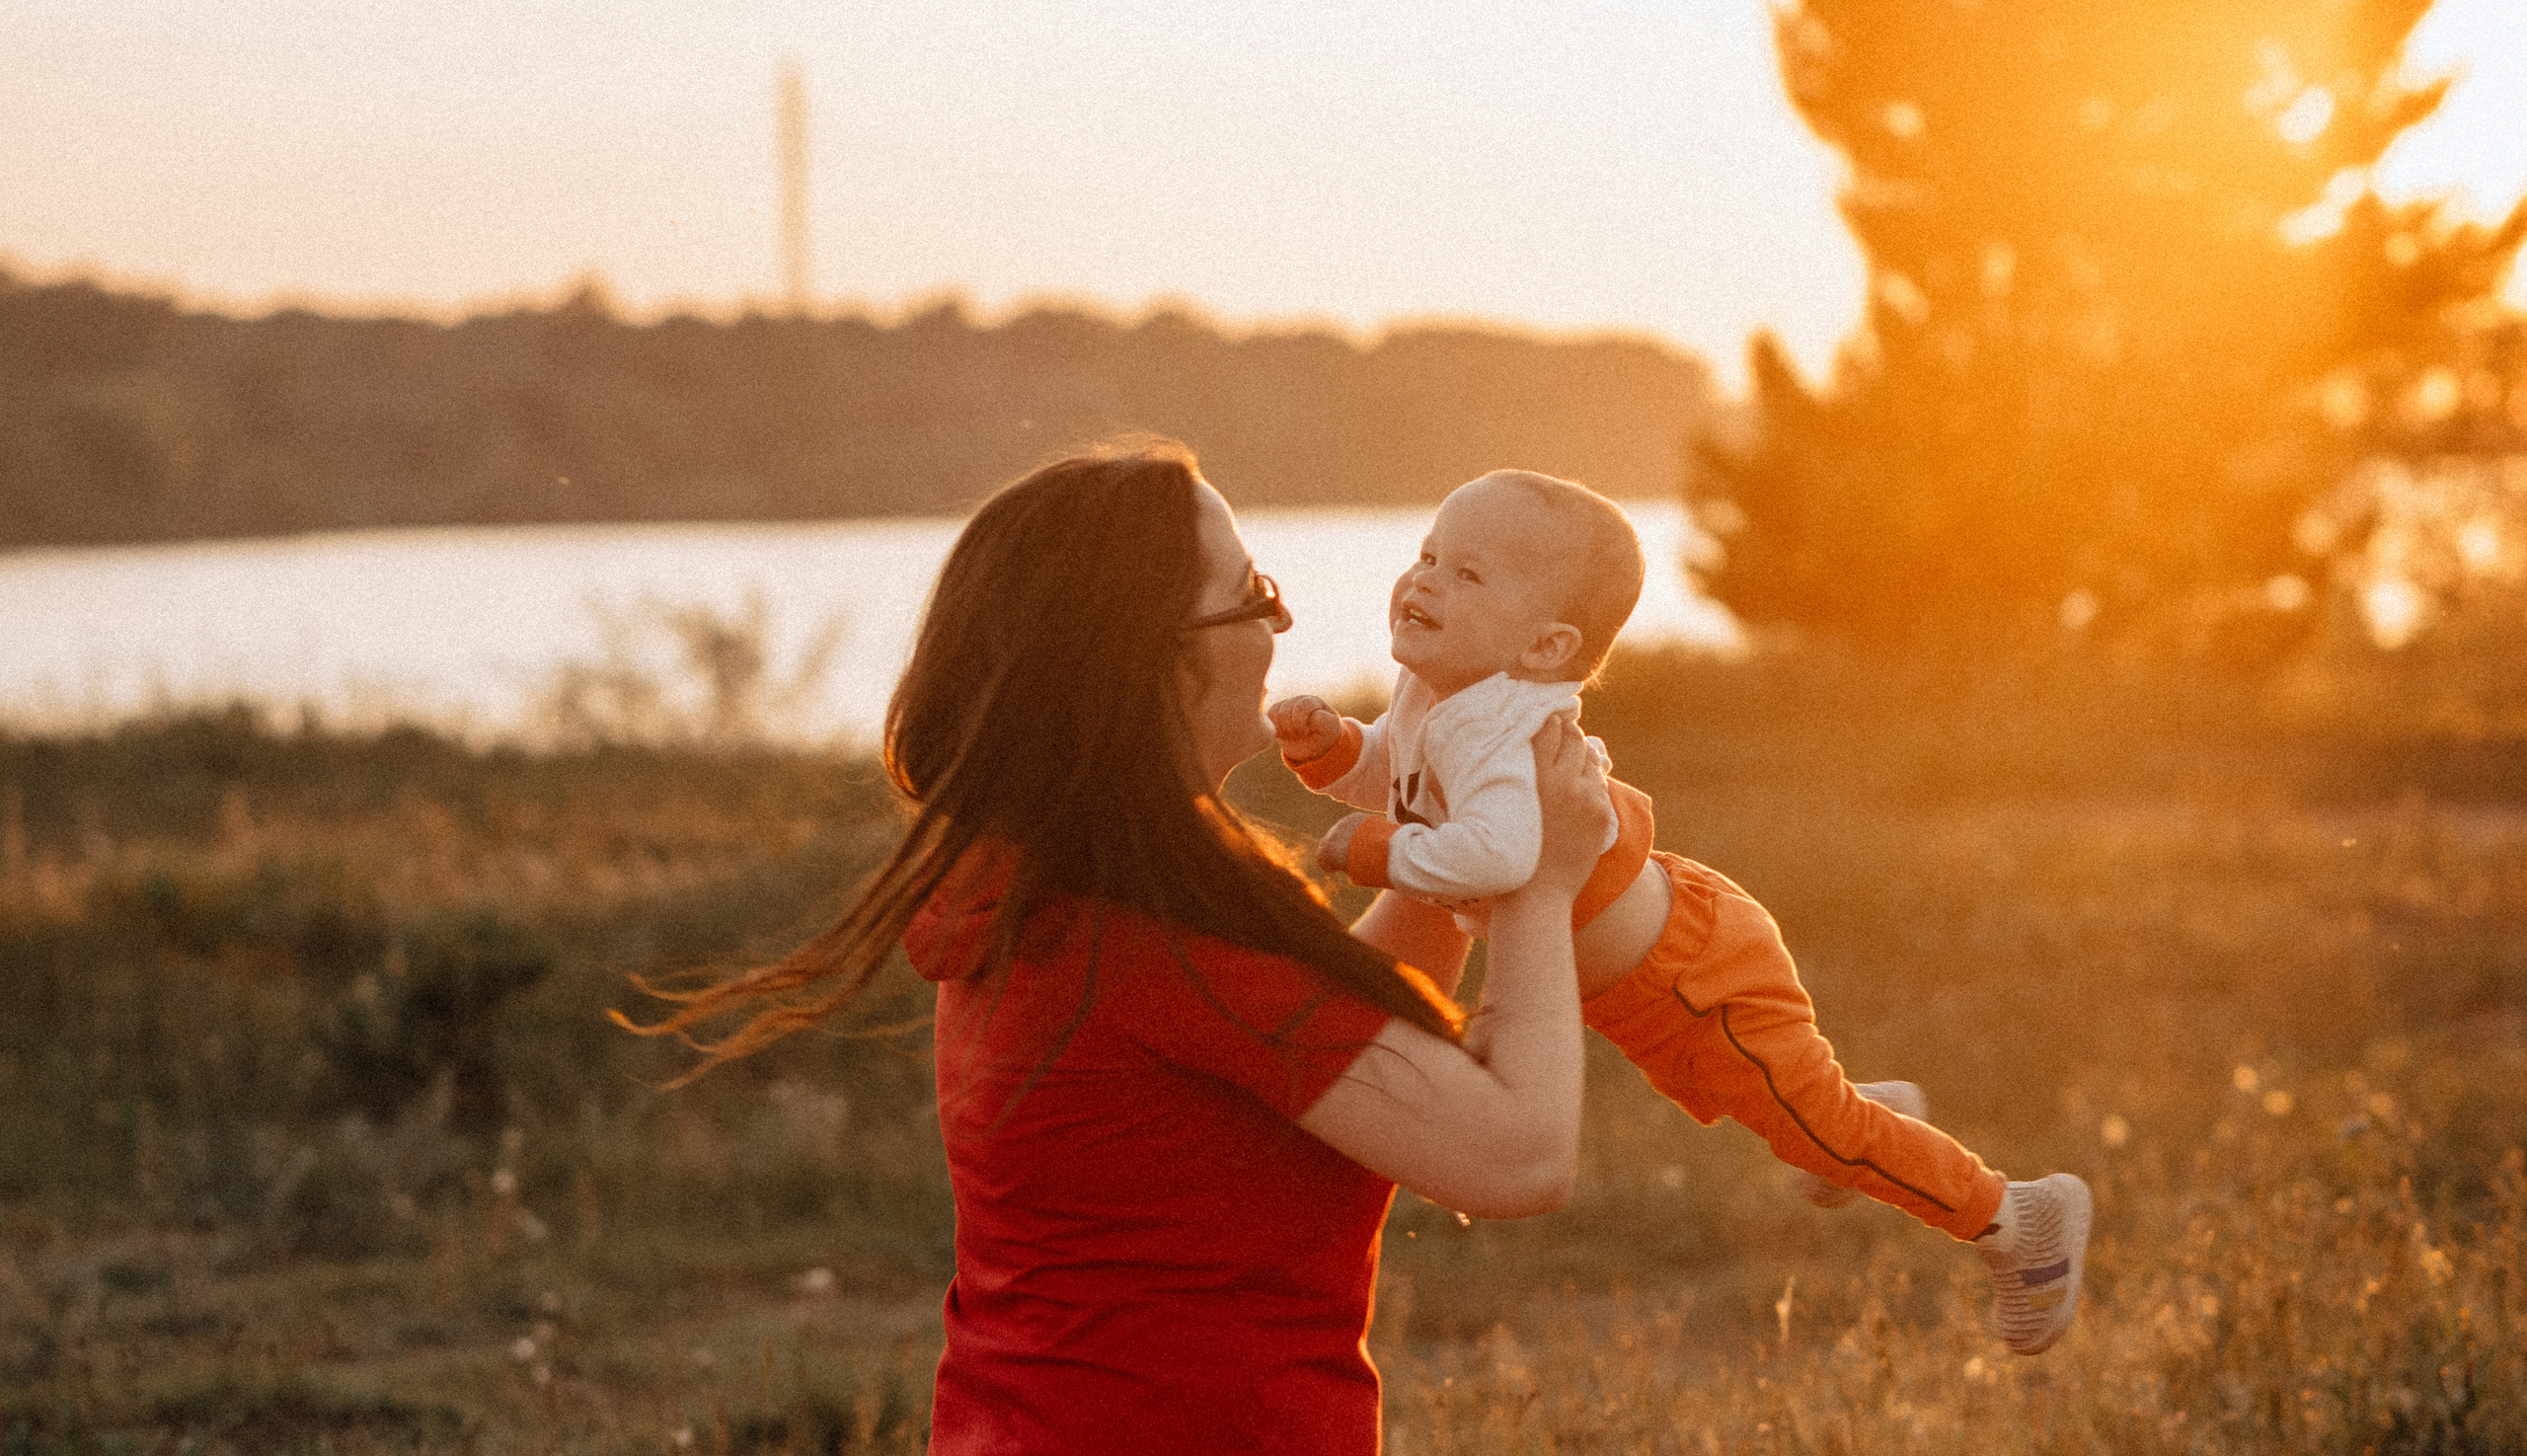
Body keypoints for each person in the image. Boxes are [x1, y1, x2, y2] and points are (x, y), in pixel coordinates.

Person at [625, 442, 1613, 1455]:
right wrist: (1539, 882)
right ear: (1156, 657)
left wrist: (1451, 832)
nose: (1277, 627)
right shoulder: (1161, 943)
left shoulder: (1044, 882)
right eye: (1250, 597)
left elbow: (1332, 1047)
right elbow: (1516, 1155)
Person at [1269, 469, 2093, 1356]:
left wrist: (1375, 850)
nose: (1424, 579)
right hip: (1646, 988)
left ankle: (2019, 1219)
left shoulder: (1508, 730)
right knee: (1783, 1108)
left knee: (1820, 1122)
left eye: (1467, 575)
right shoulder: (1444, 694)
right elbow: (1407, 773)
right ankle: (1849, 1127)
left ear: (1547, 647)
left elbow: (1500, 853)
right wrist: (1341, 751)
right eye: (1428, 555)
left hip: (1699, 975)